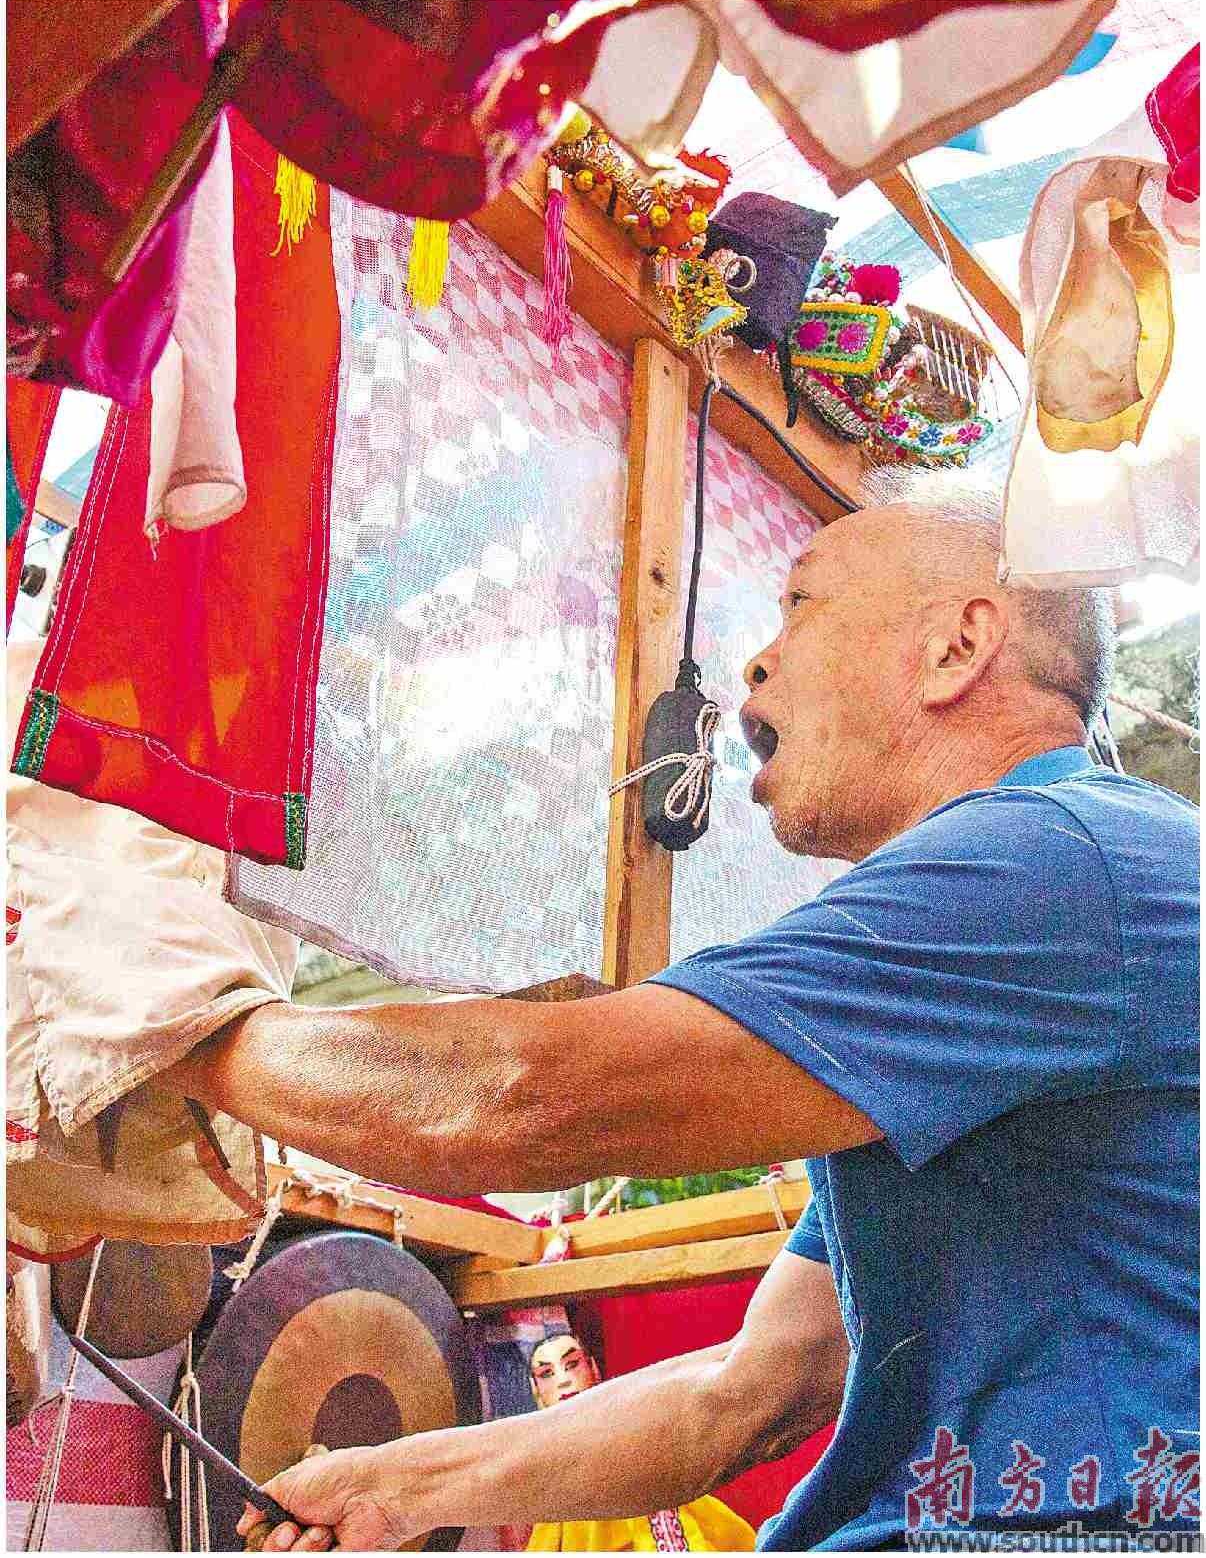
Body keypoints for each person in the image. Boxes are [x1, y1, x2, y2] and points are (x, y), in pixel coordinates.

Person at [161, 466, 1195, 1549]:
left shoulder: (1050, 862)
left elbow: (528, 1096)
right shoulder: (1002, 970)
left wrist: (180, 1035)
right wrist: (395, 1484)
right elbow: (743, 1395)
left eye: (803, 604)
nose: (757, 661)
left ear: (957, 645)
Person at [521, 1330, 756, 1552]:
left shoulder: (630, 1432)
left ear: (593, 1367)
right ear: (535, 1388)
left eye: (572, 1364)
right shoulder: (544, 1466)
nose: (563, 1380)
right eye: (547, 1373)